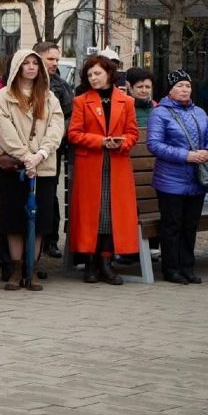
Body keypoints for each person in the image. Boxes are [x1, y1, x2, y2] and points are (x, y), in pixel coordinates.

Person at [0, 49, 67, 291]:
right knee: (13, 219)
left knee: (40, 221)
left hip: (43, 166)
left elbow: (56, 129)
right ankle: (15, 269)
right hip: (15, 167)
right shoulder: (4, 96)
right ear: (17, 67)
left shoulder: (49, 97)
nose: (31, 67)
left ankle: (31, 269)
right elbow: (5, 131)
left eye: (35, 63)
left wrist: (40, 155)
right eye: (26, 63)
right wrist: (26, 158)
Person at [67, 55, 140, 284]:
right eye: (89, 75)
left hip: (117, 165)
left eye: (97, 73)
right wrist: (100, 141)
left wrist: (121, 143)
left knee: (111, 215)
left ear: (109, 73)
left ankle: (106, 262)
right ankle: (90, 262)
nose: (93, 78)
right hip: (90, 166)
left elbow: (133, 133)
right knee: (93, 215)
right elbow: (73, 134)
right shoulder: (81, 101)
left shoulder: (126, 101)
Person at [146, 70, 208, 285]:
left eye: (187, 86)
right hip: (170, 181)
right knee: (172, 226)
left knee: (190, 225)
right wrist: (186, 155)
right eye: (179, 86)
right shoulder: (160, 113)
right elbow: (154, 144)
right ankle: (171, 269)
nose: (185, 89)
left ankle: (188, 267)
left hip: (197, 179)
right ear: (170, 90)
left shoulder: (199, 112)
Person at [34, 41, 73, 259]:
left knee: (50, 195)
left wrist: (55, 138)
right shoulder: (21, 82)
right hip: (26, 148)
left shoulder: (61, 86)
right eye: (50, 58)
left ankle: (50, 240)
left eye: (57, 59)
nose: (55, 63)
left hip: (52, 149)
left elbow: (68, 117)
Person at [126, 67, 156, 132]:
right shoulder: (124, 109)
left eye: (147, 87)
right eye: (140, 87)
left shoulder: (157, 107)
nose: (144, 90)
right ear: (130, 88)